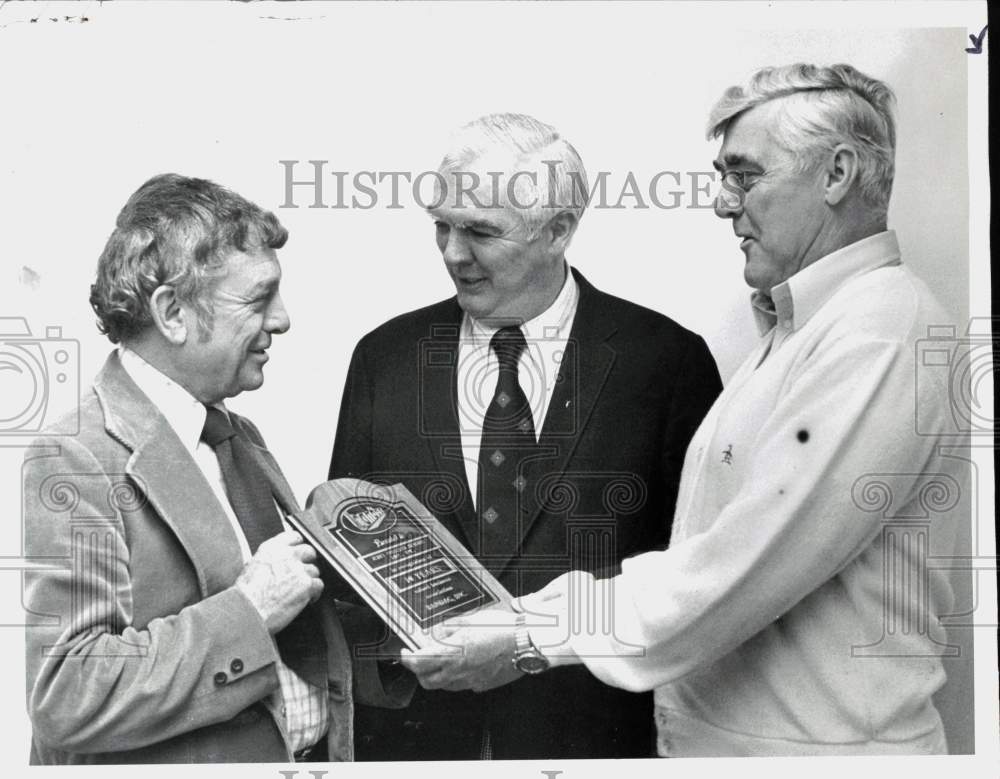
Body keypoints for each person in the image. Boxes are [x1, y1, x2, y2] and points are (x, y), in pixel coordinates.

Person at [403, 65, 964, 756]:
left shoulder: (875, 333)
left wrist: (528, 633)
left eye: (746, 175)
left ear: (837, 173)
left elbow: (733, 570)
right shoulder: (805, 333)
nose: (725, 204)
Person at [329, 113, 722, 760]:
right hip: (415, 747)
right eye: (442, 225)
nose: (453, 252)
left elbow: (699, 577)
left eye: (480, 230)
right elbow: (351, 552)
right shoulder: (386, 356)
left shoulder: (665, 363)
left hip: (591, 745)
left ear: (557, 230)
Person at [23, 174, 407, 764]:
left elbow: (293, 638)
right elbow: (69, 695)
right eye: (258, 299)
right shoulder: (77, 455)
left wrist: (407, 615)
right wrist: (248, 610)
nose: (282, 321)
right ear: (172, 312)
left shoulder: (235, 435)